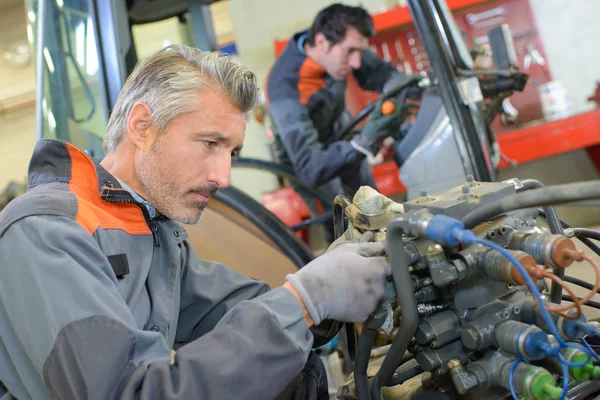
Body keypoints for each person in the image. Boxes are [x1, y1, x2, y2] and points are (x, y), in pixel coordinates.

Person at [0, 45, 391, 399]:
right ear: (141, 126)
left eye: (232, 151)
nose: (223, 176)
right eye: (209, 144)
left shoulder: (149, 227)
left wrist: (331, 291)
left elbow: (232, 310)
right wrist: (306, 302)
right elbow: (129, 393)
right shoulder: (47, 233)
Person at [266, 3, 412, 236]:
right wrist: (363, 141)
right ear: (322, 43)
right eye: (350, 52)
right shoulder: (285, 85)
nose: (356, 62)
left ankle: (391, 255)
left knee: (372, 206)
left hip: (339, 129)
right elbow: (311, 168)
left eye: (359, 52)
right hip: (306, 157)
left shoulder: (339, 45)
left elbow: (381, 75)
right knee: (339, 220)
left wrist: (399, 88)